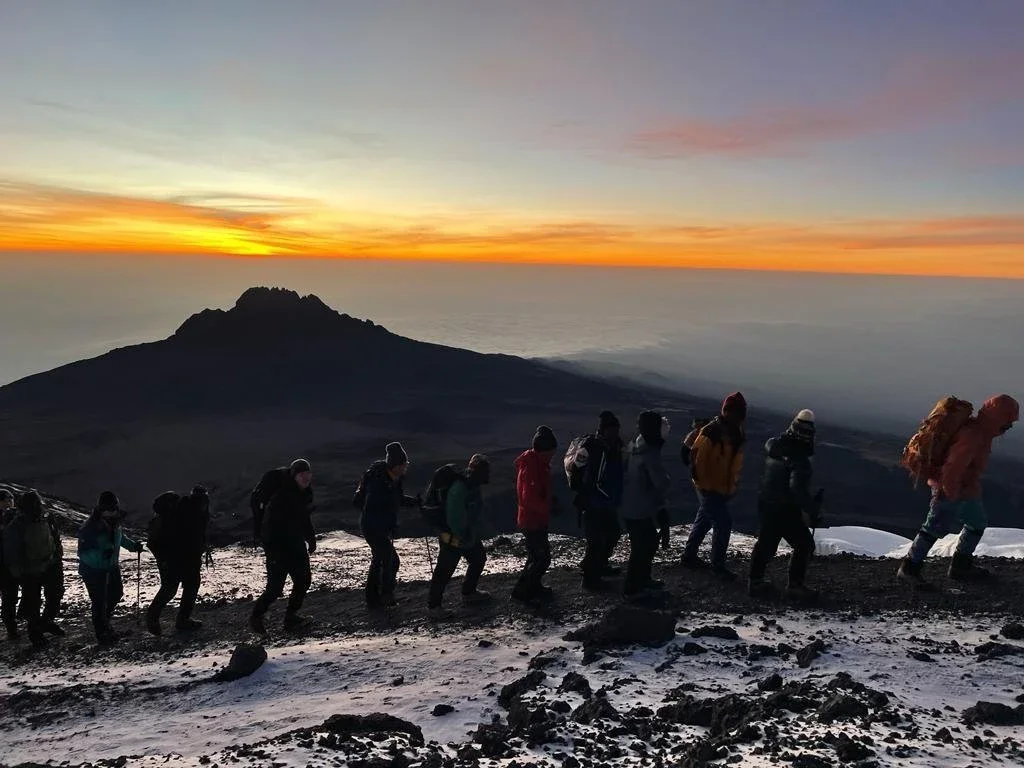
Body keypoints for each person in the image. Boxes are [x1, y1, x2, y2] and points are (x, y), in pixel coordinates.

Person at [898, 394, 1020, 588]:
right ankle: (910, 567)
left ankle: (960, 567)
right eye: (1008, 422)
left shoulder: (981, 432)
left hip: (964, 488)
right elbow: (954, 466)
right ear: (999, 418)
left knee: (976, 522)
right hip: (950, 487)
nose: (1009, 427)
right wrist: (949, 492)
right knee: (934, 526)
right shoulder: (974, 435)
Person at [749, 410, 823, 599]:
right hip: (785, 509)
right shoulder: (800, 461)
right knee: (804, 544)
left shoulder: (774, 447)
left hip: (765, 502)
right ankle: (795, 585)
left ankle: (755, 581)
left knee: (766, 543)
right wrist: (813, 509)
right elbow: (797, 489)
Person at [682, 392, 747, 580]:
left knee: (705, 520)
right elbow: (697, 461)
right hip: (708, 487)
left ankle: (689, 556)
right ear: (728, 412)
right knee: (723, 522)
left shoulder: (734, 433)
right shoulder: (712, 432)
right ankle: (717, 566)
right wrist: (704, 485)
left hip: (719, 488)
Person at [249, 459, 316, 634]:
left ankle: (291, 617)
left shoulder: (303, 494)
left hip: (295, 544)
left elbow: (304, 518)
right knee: (275, 588)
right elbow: (271, 525)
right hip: (278, 546)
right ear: (294, 476)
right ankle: (256, 617)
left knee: (303, 580)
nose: (306, 478)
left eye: (308, 474)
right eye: (302, 475)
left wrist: (310, 538)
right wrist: (272, 548)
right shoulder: (282, 497)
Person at [427, 454, 491, 620]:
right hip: (451, 534)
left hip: (462, 533)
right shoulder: (460, 488)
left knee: (478, 558)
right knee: (445, 570)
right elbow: (454, 517)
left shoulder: (470, 485)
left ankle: (468, 592)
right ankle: (434, 607)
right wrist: (463, 534)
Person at [357, 442, 419, 611]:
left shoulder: (391, 479)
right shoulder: (380, 483)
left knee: (380, 560)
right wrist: (388, 523)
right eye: (404, 464)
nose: (406, 467)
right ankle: (384, 596)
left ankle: (375, 599)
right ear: (397, 465)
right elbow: (375, 507)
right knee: (390, 560)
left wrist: (415, 502)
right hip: (373, 527)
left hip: (376, 526)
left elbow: (397, 499)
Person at [77, 491, 144, 645]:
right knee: (99, 601)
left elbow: (119, 538)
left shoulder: (114, 522)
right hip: (93, 570)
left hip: (110, 566)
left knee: (115, 594)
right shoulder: (90, 527)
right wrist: (101, 554)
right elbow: (83, 553)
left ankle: (105, 623)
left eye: (113, 507)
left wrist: (133, 546)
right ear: (101, 508)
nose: (111, 511)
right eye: (108, 508)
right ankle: (102, 633)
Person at [621, 411, 672, 601]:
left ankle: (643, 579)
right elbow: (660, 482)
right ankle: (632, 588)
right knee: (642, 547)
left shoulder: (635, 446)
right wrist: (667, 479)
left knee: (647, 542)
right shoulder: (649, 453)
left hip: (633, 505)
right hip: (639, 508)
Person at [146, 485, 210, 635]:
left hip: (175, 558)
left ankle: (154, 617)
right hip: (181, 558)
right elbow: (191, 535)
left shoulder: (183, 511)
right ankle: (177, 619)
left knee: (173, 588)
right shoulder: (188, 512)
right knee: (186, 587)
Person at [576, 411, 626, 592]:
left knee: (612, 534)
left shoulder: (613, 447)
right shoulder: (598, 449)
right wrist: (608, 496)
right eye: (612, 429)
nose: (616, 432)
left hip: (605, 502)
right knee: (596, 540)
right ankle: (589, 579)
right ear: (604, 430)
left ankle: (599, 566)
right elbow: (593, 481)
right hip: (595, 502)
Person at [2, 491, 57, 647]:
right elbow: (12, 549)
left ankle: (35, 628)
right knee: (32, 602)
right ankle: (33, 634)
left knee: (35, 600)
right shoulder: (22, 523)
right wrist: (16, 570)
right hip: (29, 569)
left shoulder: (34, 521)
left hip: (37, 567)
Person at [511, 426, 558, 604]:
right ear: (545, 450)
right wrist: (547, 507)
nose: (553, 455)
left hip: (534, 518)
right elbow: (529, 498)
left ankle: (532, 587)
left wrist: (549, 502)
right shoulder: (532, 467)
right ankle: (523, 592)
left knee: (536, 556)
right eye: (551, 452)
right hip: (532, 520)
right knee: (542, 558)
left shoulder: (537, 463)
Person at [0, 488, 19, 641]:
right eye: (7, 499)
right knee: (9, 598)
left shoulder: (13, 516)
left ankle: (11, 628)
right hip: (7, 565)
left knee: (10, 598)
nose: (10, 502)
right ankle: (11, 628)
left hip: (8, 565)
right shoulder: (12, 518)